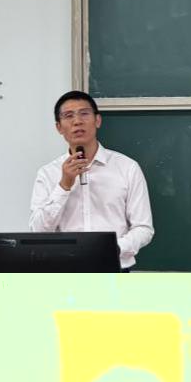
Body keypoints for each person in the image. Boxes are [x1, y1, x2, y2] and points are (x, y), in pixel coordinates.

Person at [29, 90, 154, 271]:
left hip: (114, 269)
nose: (77, 121)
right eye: (68, 116)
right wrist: (64, 185)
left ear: (97, 120)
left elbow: (143, 228)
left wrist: (112, 249)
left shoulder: (127, 167)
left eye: (84, 113)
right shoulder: (48, 173)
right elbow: (38, 231)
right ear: (59, 127)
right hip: (65, 272)